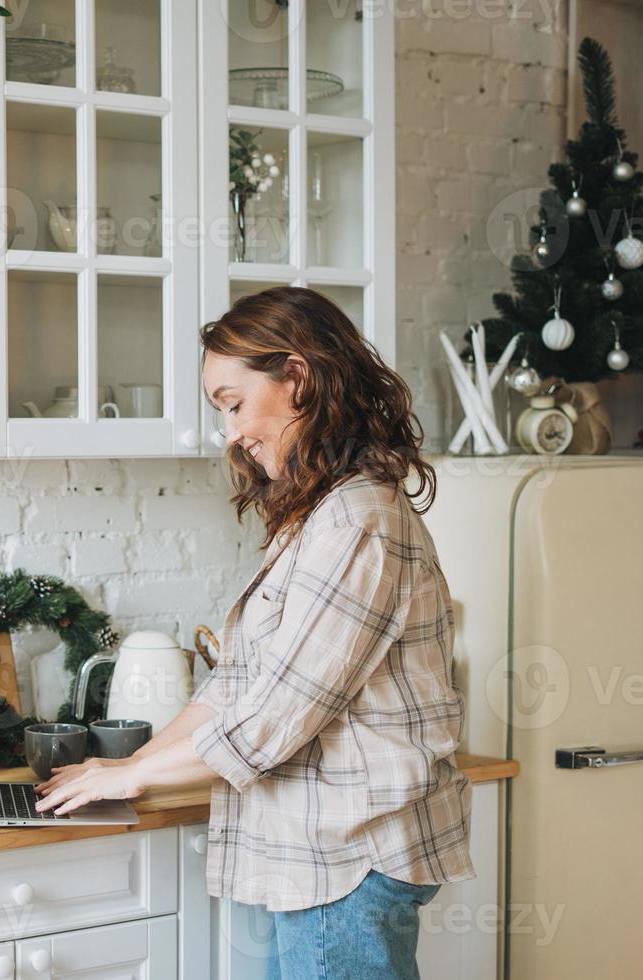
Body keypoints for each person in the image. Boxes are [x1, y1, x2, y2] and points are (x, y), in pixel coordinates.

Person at [34, 286, 473, 979]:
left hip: (344, 861)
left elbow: (272, 719)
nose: (231, 433)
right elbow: (237, 684)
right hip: (320, 861)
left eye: (233, 403)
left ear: (297, 378)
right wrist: (126, 767)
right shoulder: (318, 516)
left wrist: (138, 773)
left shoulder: (359, 521)